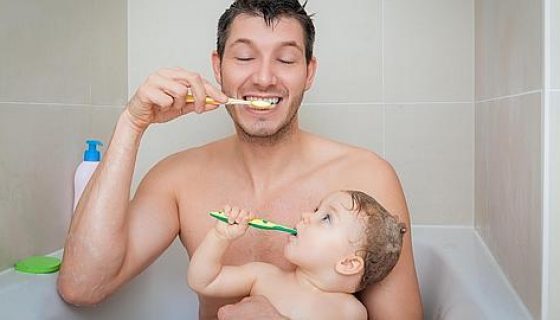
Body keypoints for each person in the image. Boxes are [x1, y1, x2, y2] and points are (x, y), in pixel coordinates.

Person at [57, 0, 423, 319]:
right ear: (218, 68)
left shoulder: (367, 177)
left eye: (286, 59)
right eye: (245, 57)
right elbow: (81, 286)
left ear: (309, 72)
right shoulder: (177, 179)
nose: (263, 78)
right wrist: (132, 123)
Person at [188, 190, 407, 320]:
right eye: (316, 210)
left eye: (326, 218)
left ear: (348, 263)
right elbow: (203, 281)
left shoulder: (348, 311)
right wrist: (220, 236)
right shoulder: (263, 275)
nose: (306, 216)